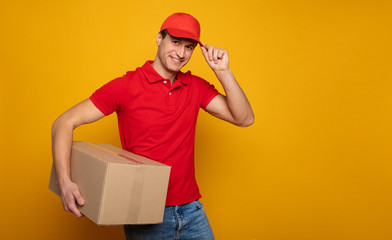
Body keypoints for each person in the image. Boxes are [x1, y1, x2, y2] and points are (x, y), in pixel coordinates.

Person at [51, 12, 254, 239]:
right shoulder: (126, 86)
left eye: (189, 47)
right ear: (159, 38)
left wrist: (223, 72)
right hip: (146, 216)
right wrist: (65, 183)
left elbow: (244, 118)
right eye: (175, 42)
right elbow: (64, 122)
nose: (181, 53)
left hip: (192, 211)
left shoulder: (195, 87)